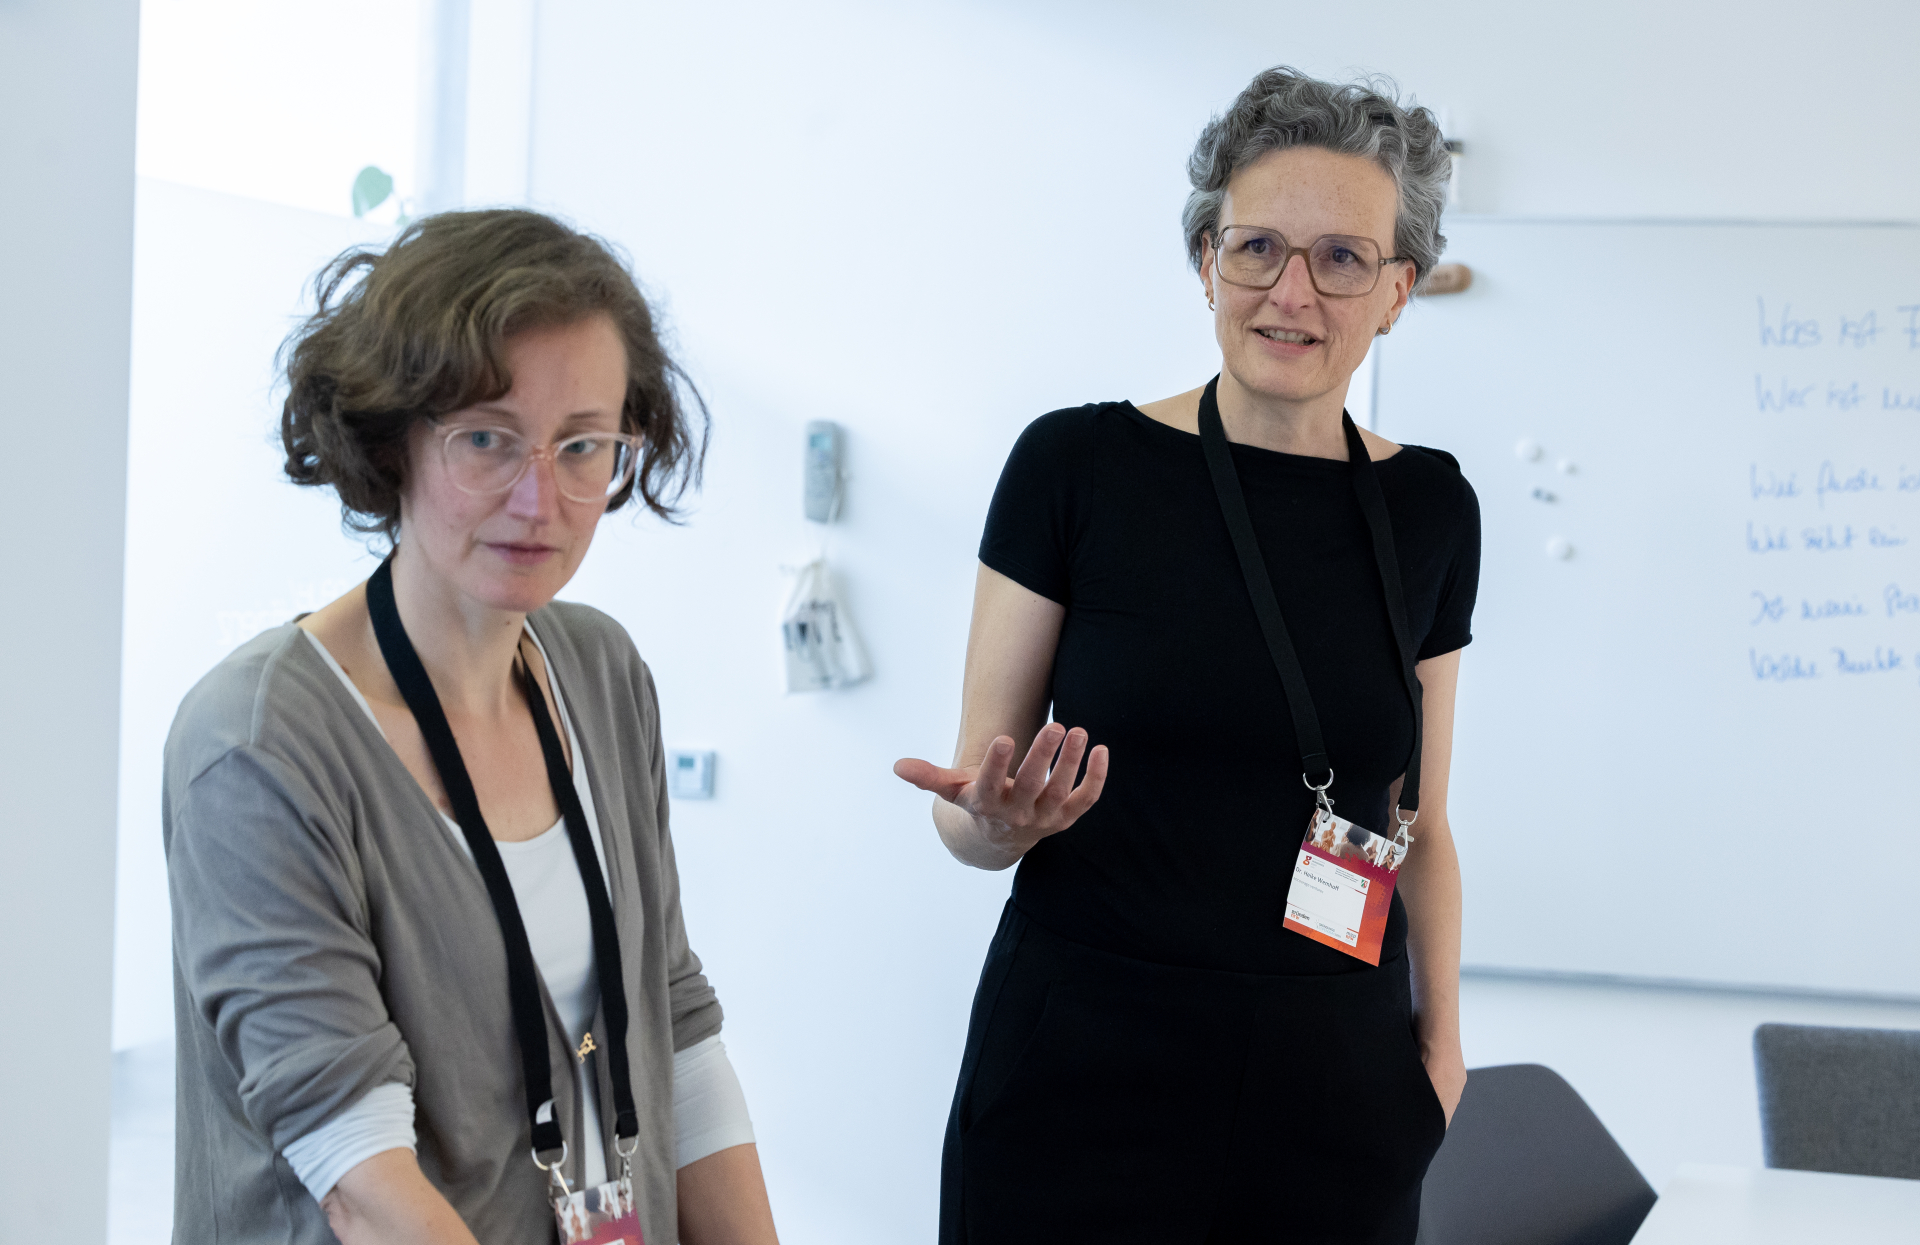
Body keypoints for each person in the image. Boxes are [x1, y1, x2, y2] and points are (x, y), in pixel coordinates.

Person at [894, 67, 1479, 1244]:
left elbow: (1418, 818)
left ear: (1397, 291)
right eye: (1257, 247)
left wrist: (1442, 1051)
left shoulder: (1431, 507)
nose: (1291, 292)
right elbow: (970, 809)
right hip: (1083, 1076)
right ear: (1207, 261)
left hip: (1337, 1090)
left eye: (1342, 258)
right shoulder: (1075, 468)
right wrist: (996, 824)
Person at [164, 209, 779, 1245]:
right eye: (487, 439)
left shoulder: (600, 670)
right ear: (389, 440)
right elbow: (361, 1183)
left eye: (582, 445)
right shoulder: (258, 741)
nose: (541, 498)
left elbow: (672, 1023)